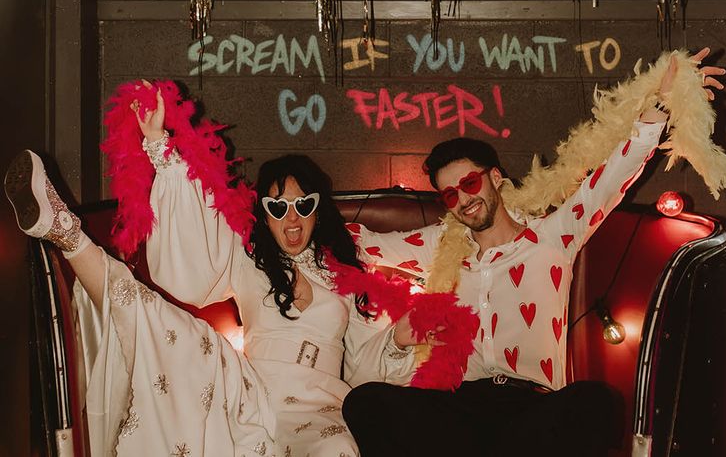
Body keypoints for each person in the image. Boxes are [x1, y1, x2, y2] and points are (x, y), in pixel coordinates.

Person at [341, 48, 726, 457]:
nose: (463, 200)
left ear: (494, 178)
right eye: (451, 194)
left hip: (531, 409)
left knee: (594, 401)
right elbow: (361, 242)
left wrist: (665, 101)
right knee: (364, 403)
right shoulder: (440, 246)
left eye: (470, 183)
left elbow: (611, 178)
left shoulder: (552, 237)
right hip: (459, 409)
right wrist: (286, 216)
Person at [4, 89, 424, 457]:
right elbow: (192, 251)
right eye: (277, 207)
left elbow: (368, 366)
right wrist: (158, 142)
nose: (291, 219)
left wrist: (400, 339)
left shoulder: (346, 275)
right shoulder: (247, 257)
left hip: (322, 410)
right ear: (264, 213)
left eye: (303, 205)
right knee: (163, 322)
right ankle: (64, 231)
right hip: (249, 393)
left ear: (318, 209)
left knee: (337, 450)